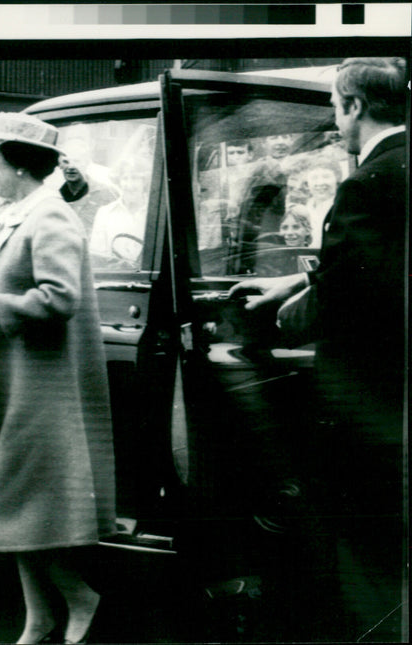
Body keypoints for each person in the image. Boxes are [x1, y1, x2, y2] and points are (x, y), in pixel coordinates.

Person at [229, 57, 406, 639]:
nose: (335, 116)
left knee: (362, 546)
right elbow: (374, 266)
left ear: (354, 106)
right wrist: (296, 280)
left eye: (336, 105)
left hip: (369, 394)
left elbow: (349, 295)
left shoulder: (366, 183)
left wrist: (278, 314)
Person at [0, 112, 115, 645]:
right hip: (15, 385)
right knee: (13, 502)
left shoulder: (50, 218)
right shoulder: (21, 214)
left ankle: (79, 598)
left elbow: (59, 298)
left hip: (41, 390)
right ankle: (39, 618)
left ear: (17, 164)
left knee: (16, 501)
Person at [89, 155, 151, 266]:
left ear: (144, 182)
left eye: (135, 178)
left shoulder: (154, 212)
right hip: (115, 277)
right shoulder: (104, 213)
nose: (129, 185)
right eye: (125, 178)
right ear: (118, 181)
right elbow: (97, 257)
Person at [57, 138, 118, 233]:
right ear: (60, 164)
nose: (71, 167)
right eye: (66, 162)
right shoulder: (55, 197)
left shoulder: (107, 194)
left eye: (76, 161)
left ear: (86, 163)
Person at [303, 155, 342, 246]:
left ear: (337, 179)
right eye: (314, 178)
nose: (320, 183)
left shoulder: (343, 207)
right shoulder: (303, 209)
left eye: (326, 177)